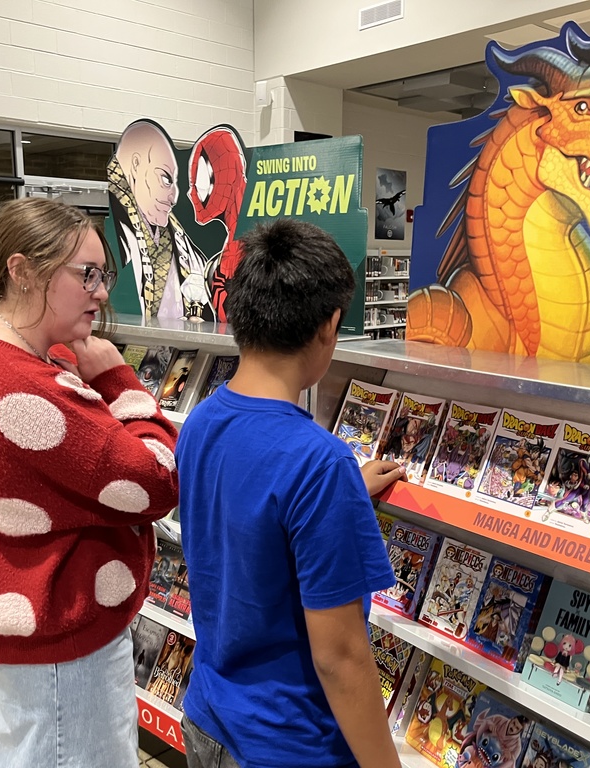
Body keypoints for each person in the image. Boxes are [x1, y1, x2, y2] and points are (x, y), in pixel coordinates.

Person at [0, 197, 179, 768]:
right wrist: (117, 378)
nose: (101, 293)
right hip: (63, 650)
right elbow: (157, 481)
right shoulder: (25, 383)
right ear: (22, 271)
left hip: (35, 636)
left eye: (104, 275)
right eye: (87, 275)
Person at [175, 218, 406, 768]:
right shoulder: (319, 463)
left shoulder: (200, 422)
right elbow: (340, 656)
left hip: (208, 717)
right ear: (329, 326)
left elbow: (249, 516)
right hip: (289, 745)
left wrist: (344, 490)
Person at [107, 119, 210, 321]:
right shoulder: (109, 237)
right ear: (136, 165)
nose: (174, 196)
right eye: (165, 179)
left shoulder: (177, 237)